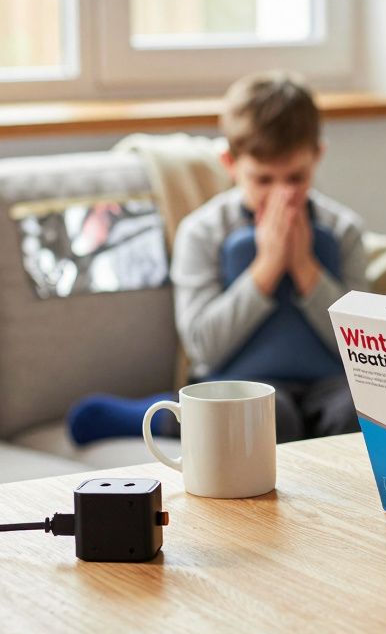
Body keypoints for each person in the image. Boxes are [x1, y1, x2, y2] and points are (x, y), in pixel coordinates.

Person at [68, 72, 368, 445]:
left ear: (317, 156)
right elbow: (203, 346)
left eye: (296, 177)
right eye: (263, 180)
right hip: (239, 385)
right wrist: (267, 268)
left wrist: (306, 267)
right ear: (230, 162)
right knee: (266, 417)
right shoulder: (203, 232)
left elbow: (362, 348)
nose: (282, 196)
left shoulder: (343, 230)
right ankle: (157, 416)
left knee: (358, 415)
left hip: (328, 384)